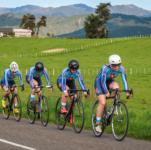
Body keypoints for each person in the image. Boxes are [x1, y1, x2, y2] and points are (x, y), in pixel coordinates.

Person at [94, 54, 130, 133]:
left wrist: (127, 91)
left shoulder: (121, 69)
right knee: (103, 102)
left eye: (118, 65)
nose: (116, 67)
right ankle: (97, 123)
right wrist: (106, 92)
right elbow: (102, 81)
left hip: (110, 81)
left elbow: (124, 80)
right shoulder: (105, 69)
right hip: (99, 83)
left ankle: (113, 106)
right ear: (110, 64)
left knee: (117, 88)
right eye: (114, 65)